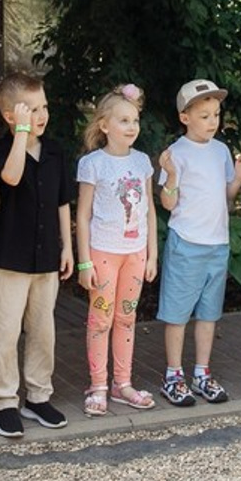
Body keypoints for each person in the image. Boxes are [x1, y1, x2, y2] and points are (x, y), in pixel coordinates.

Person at [0, 70, 74, 438]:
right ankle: (5, 401)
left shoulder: (55, 152)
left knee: (43, 330)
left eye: (44, 107)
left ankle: (38, 395)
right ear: (10, 115)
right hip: (12, 259)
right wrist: (21, 135)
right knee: (5, 332)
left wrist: (68, 246)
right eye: (32, 109)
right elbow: (11, 178)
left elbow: (61, 201)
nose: (42, 115)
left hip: (47, 257)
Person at [156, 79, 241, 407]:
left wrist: (238, 176)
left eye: (216, 114)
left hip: (217, 243)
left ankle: (201, 373)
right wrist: (169, 175)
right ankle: (173, 375)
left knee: (209, 314)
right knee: (177, 314)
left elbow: (226, 196)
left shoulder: (221, 150)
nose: (213, 121)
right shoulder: (175, 154)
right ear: (185, 118)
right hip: (187, 241)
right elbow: (167, 204)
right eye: (205, 115)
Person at [75, 84, 157, 417]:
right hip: (103, 254)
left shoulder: (143, 162)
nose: (132, 127)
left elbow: (149, 208)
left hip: (135, 254)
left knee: (126, 317)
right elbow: (82, 215)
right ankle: (98, 386)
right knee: (100, 319)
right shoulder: (93, 163)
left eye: (135, 120)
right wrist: (84, 262)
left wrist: (152, 254)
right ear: (104, 125)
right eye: (123, 120)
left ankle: (122, 383)